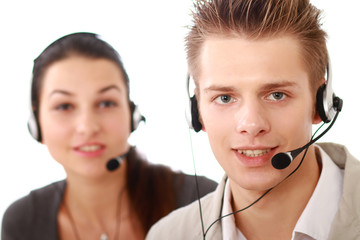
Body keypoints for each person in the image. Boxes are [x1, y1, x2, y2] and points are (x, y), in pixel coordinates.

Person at [146, 0, 360, 239]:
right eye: (225, 98)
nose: (251, 125)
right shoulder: (168, 235)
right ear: (196, 112)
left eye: (277, 95)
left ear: (321, 104)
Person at [1, 32, 217, 240]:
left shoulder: (202, 202)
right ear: (36, 123)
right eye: (64, 106)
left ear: (132, 115)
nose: (87, 127)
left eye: (106, 103)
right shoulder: (24, 221)